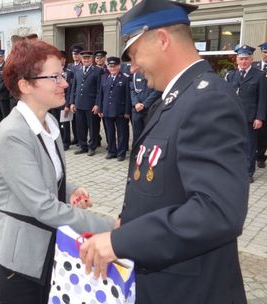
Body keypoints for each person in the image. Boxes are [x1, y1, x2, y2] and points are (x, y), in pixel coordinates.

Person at [78, 1, 248, 303]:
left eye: (134, 54)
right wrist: (128, 221)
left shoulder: (207, 101)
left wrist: (121, 240)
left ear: (163, 40)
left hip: (191, 290)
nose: (133, 66)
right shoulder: (176, 97)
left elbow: (217, 212)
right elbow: (165, 182)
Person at [0, 39, 114, 304]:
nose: (65, 83)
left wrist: (69, 188)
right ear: (25, 85)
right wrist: (112, 227)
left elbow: (45, 174)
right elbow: (43, 206)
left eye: (63, 75)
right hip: (18, 259)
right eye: (54, 77)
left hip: (46, 247)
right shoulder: (13, 134)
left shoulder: (49, 121)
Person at [226, 45, 267, 183]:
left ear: (251, 60)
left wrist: (259, 118)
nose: (243, 61)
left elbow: (262, 99)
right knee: (233, 145)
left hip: (250, 118)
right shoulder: (231, 75)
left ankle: (249, 172)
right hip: (233, 118)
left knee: (249, 147)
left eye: (246, 59)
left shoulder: (259, 75)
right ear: (237, 60)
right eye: (241, 59)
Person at [96, 56, 132, 161]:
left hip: (120, 111)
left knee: (122, 133)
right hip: (107, 110)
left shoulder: (125, 78)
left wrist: (127, 111)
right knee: (110, 133)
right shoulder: (104, 78)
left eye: (114, 66)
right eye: (110, 66)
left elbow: (128, 97)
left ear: (119, 66)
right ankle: (112, 151)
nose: (112, 68)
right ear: (107, 67)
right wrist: (100, 109)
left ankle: (121, 153)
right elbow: (100, 95)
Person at [69, 50, 103, 156]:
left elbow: (99, 90)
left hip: (91, 104)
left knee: (93, 127)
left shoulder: (98, 71)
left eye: (88, 58)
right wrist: (72, 102)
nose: (86, 60)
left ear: (92, 59)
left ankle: (92, 146)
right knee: (80, 126)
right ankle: (82, 145)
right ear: (81, 59)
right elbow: (74, 87)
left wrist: (97, 104)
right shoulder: (77, 70)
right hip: (79, 103)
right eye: (84, 58)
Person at [130, 71, 161, 144]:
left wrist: (144, 104)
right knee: (136, 133)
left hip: (150, 108)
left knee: (149, 132)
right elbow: (132, 90)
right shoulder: (135, 74)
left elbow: (157, 91)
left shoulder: (155, 73)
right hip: (137, 109)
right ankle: (136, 152)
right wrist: (136, 103)